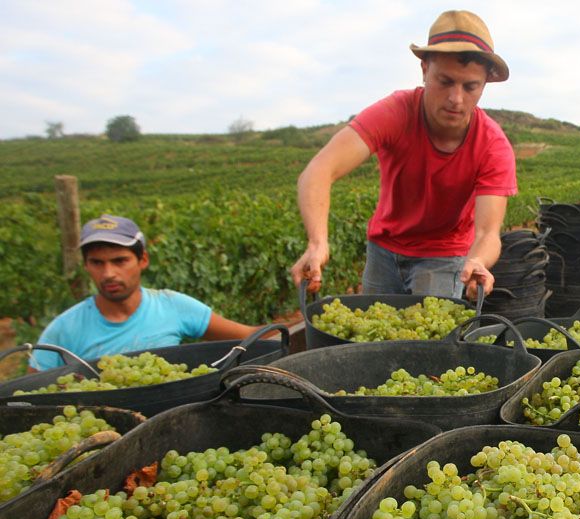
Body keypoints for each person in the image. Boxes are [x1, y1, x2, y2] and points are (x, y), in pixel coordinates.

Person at [289, 9, 517, 301]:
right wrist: (317, 242)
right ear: (424, 70)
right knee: (375, 338)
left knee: (426, 342)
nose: (456, 99)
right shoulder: (395, 113)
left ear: (484, 84)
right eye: (445, 81)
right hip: (383, 251)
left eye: (470, 86)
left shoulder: (492, 146)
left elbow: (487, 233)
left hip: (444, 255)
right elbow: (319, 170)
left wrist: (477, 262)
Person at [30, 215, 260, 370]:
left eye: (120, 261)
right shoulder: (63, 329)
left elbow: (250, 336)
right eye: (97, 263)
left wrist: (295, 320)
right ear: (86, 266)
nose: (109, 273)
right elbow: (30, 394)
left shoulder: (173, 305)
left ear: (143, 260)